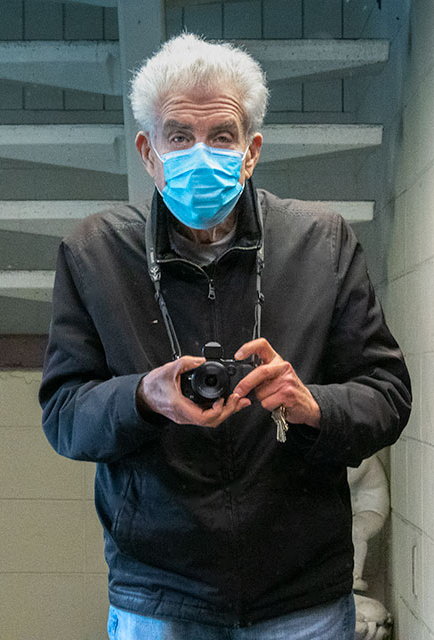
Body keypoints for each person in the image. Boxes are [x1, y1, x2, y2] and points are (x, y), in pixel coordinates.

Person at [39, 33, 411, 640]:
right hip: (159, 592)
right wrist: (142, 397)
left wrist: (313, 407)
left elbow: (388, 397)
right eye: (178, 136)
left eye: (221, 135)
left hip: (303, 592)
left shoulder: (322, 242)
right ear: (148, 151)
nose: (200, 153)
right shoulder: (95, 252)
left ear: (251, 151)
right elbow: (63, 414)